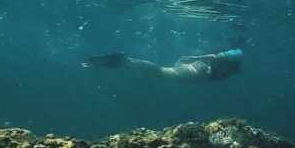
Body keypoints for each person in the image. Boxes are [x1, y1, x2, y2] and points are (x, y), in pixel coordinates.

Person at [82, 48, 243, 82]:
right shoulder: (216, 69)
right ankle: (122, 61)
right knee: (158, 70)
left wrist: (197, 57)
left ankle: (122, 61)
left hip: (182, 72)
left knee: (157, 69)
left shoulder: (212, 66)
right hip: (181, 73)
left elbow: (185, 58)